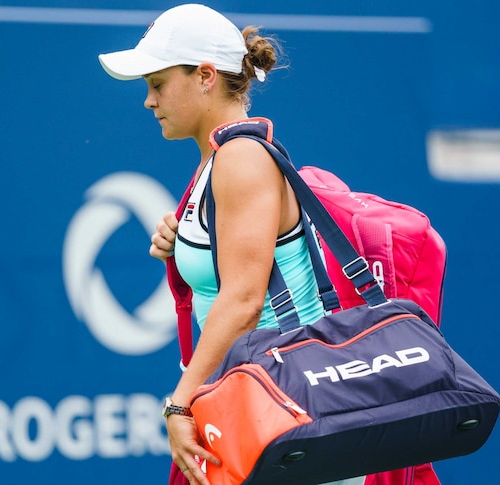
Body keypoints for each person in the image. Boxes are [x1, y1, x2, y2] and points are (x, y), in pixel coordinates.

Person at [98, 4, 363, 485]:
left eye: (157, 84)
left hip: (295, 419)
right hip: (268, 412)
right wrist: (183, 246)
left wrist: (181, 401)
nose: (148, 101)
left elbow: (242, 300)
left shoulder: (239, 159)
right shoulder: (217, 161)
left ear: (204, 76)